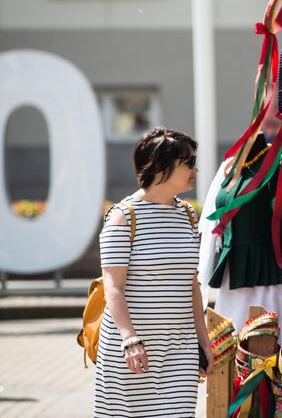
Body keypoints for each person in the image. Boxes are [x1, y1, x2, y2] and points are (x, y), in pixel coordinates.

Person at [95, 127, 213, 417]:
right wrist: (130, 340)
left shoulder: (187, 214)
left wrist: (203, 341)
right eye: (188, 162)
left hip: (179, 350)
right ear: (161, 166)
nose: (195, 169)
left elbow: (191, 285)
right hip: (134, 351)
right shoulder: (123, 216)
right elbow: (113, 287)